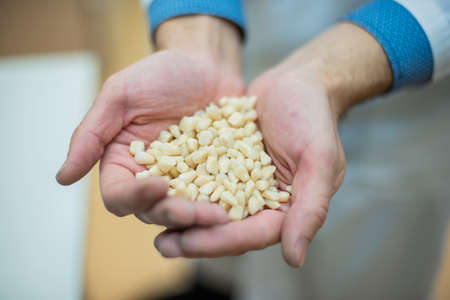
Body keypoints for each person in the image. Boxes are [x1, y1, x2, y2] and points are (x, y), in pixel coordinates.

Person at [57, 0, 450, 299]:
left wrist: (344, 66)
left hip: (402, 109)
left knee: (364, 273)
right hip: (240, 54)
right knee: (214, 247)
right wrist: (197, 20)